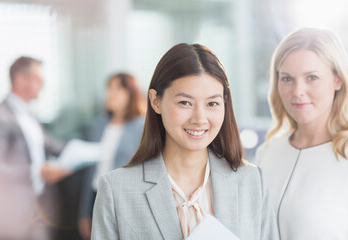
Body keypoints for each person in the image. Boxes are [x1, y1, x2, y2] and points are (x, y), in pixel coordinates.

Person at [91, 43, 278, 240]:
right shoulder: (116, 190)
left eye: (212, 103)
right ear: (155, 101)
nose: (199, 118)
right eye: (185, 103)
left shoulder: (252, 181)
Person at [255, 28, 348, 239]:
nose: (297, 91)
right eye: (287, 79)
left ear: (338, 80)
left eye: (312, 77)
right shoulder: (267, 152)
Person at [0, 56, 72, 240]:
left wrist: (81, 151)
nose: (43, 85)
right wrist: (38, 171)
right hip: (12, 212)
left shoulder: (29, 113)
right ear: (20, 79)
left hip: (39, 205)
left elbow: (50, 144)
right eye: (38, 79)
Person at [78, 73, 145, 240]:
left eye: (117, 88)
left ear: (131, 93)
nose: (111, 93)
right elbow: (90, 171)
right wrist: (84, 212)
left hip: (123, 200)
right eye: (109, 88)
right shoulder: (99, 124)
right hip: (95, 193)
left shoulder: (142, 126)